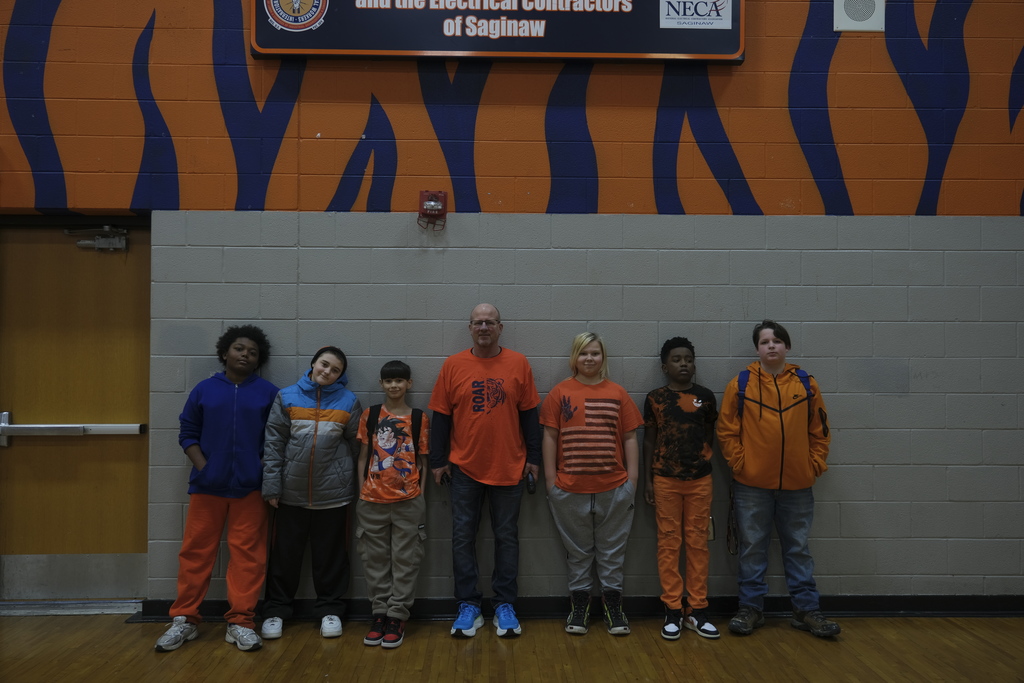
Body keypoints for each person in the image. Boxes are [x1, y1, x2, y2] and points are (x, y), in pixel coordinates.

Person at [155, 325, 279, 653]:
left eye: (252, 352)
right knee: (196, 552)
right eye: (239, 349)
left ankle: (240, 622)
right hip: (207, 487)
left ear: (259, 360)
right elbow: (187, 431)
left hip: (251, 489)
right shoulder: (204, 389)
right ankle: (184, 619)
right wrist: (204, 467)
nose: (245, 355)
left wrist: (262, 468)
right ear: (225, 352)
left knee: (248, 556)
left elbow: (277, 438)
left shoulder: (269, 393)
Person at [717, 320, 840, 638]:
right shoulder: (740, 384)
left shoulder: (806, 383)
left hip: (798, 486)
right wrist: (740, 464)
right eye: (764, 341)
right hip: (751, 485)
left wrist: (814, 464)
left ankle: (806, 610)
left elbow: (820, 430)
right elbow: (727, 431)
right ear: (757, 348)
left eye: (777, 341)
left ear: (787, 346)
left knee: (798, 548)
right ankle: (751, 609)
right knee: (752, 548)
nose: (771, 346)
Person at [428, 303, 541, 638]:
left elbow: (530, 415)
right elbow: (440, 416)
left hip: (510, 466)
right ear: (470, 327)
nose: (484, 327)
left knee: (507, 537)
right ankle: (469, 606)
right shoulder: (453, 365)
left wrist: (534, 457)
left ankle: (504, 605)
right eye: (478, 322)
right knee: (463, 537)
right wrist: (438, 460)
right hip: (464, 467)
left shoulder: (518, 363)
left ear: (500, 328)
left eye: (490, 322)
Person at [540, 332, 643, 636]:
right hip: (569, 489)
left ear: (603, 358)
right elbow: (549, 436)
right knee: (578, 553)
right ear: (574, 358)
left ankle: (613, 607)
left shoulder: (617, 393)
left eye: (595, 353)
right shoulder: (560, 393)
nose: (589, 359)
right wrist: (551, 481)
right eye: (583, 353)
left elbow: (629, 438)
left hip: (614, 488)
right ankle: (580, 606)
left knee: (612, 553)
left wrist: (632, 481)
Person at [260, 346, 362, 641]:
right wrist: (272, 486)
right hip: (290, 495)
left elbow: (357, 446)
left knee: (330, 557)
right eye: (324, 365)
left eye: (335, 370)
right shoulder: (287, 396)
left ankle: (330, 610)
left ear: (341, 375)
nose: (327, 372)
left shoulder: (348, 401)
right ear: (313, 364)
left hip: (334, 497)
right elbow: (273, 444)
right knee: (284, 557)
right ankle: (276, 611)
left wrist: (347, 481)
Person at [643, 336, 720, 641]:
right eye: (676, 359)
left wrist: (699, 461)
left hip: (700, 481)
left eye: (688, 359)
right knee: (669, 544)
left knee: (698, 544)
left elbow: (710, 435)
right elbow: (649, 440)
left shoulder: (705, 397)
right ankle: (672, 609)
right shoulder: (655, 398)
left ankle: (697, 610)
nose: (683, 364)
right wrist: (648, 480)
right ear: (665, 366)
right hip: (664, 481)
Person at [355, 360, 430, 650]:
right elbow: (363, 455)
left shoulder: (419, 418)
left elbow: (423, 460)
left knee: (406, 560)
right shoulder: (370, 415)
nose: (394, 385)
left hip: (408, 501)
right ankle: (379, 614)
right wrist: (361, 488)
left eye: (400, 380)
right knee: (374, 561)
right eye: (388, 381)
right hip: (371, 500)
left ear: (409, 384)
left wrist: (420, 495)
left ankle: (397, 615)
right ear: (381, 384)